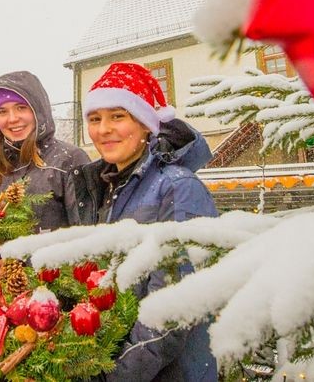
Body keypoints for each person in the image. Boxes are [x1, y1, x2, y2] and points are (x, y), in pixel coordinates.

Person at [69, 62, 220, 382]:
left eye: (118, 116)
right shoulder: (109, 188)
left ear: (147, 124)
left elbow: (171, 313)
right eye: (95, 119)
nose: (103, 129)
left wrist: (113, 375)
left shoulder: (177, 189)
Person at [0, 71, 89, 376]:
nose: (12, 119)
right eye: (1, 112)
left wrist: (21, 268)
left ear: (39, 109)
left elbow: (84, 245)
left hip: (45, 319)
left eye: (21, 108)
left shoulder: (69, 161)